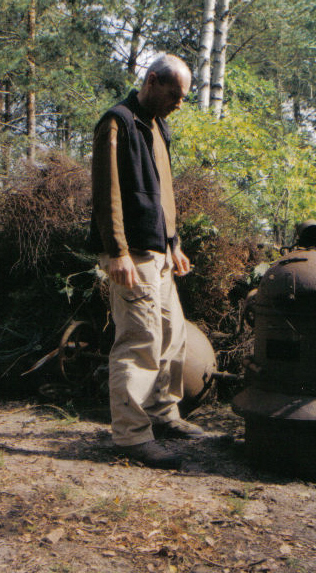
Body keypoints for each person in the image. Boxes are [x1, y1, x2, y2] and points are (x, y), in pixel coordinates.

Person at [89, 54, 204, 469]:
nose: (179, 103)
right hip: (132, 254)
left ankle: (162, 414)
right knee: (139, 342)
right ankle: (132, 437)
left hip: (160, 252)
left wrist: (174, 243)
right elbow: (108, 194)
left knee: (172, 336)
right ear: (152, 81)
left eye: (183, 97)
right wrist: (117, 251)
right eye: (174, 95)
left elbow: (163, 193)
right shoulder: (117, 122)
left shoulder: (158, 127)